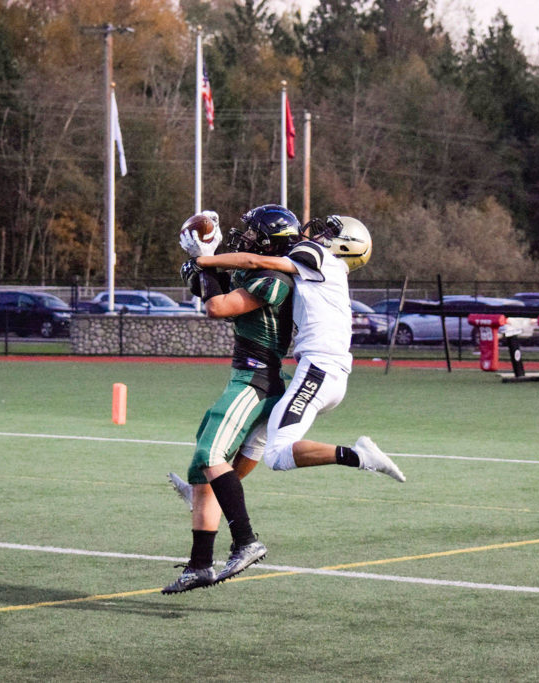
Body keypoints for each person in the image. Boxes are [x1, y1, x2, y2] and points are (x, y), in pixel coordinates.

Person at [184, 214, 406, 484]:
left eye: (330, 231)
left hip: (318, 371)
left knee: (277, 455)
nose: (318, 234)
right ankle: (215, 494)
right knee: (260, 435)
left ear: (345, 246)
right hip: (327, 373)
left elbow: (254, 261)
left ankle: (358, 456)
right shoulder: (324, 272)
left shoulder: (319, 256)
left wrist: (203, 259)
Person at [161, 205, 301, 595]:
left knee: (210, 456)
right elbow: (206, 284)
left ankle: (245, 540)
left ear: (271, 242)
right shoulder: (255, 270)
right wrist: (203, 263)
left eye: (254, 234)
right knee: (200, 469)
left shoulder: (275, 279)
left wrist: (203, 265)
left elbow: (217, 306)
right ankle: (200, 565)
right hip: (248, 377)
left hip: (257, 379)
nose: (245, 238)